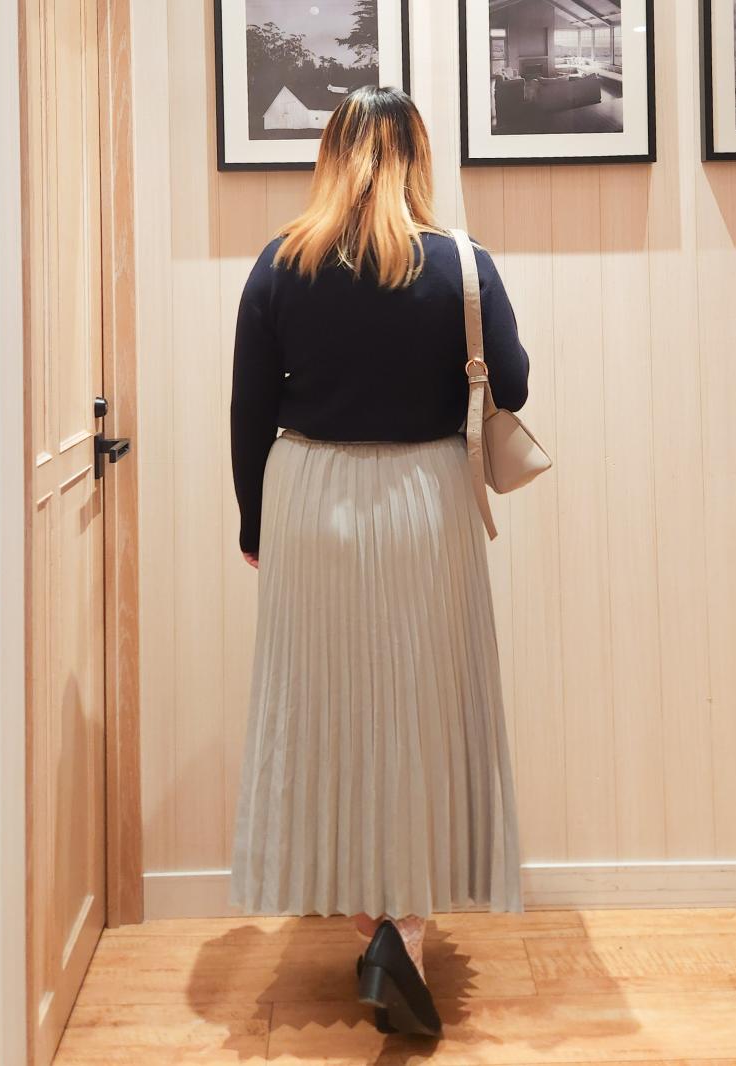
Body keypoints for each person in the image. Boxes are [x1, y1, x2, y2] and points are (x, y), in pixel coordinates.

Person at [228, 84, 529, 1038]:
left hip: (310, 500)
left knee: (326, 710)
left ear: (331, 154)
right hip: (425, 503)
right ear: (417, 157)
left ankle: (371, 922)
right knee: (423, 709)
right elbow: (514, 383)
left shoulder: (280, 263)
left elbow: (248, 408)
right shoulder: (463, 265)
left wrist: (254, 525)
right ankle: (404, 928)